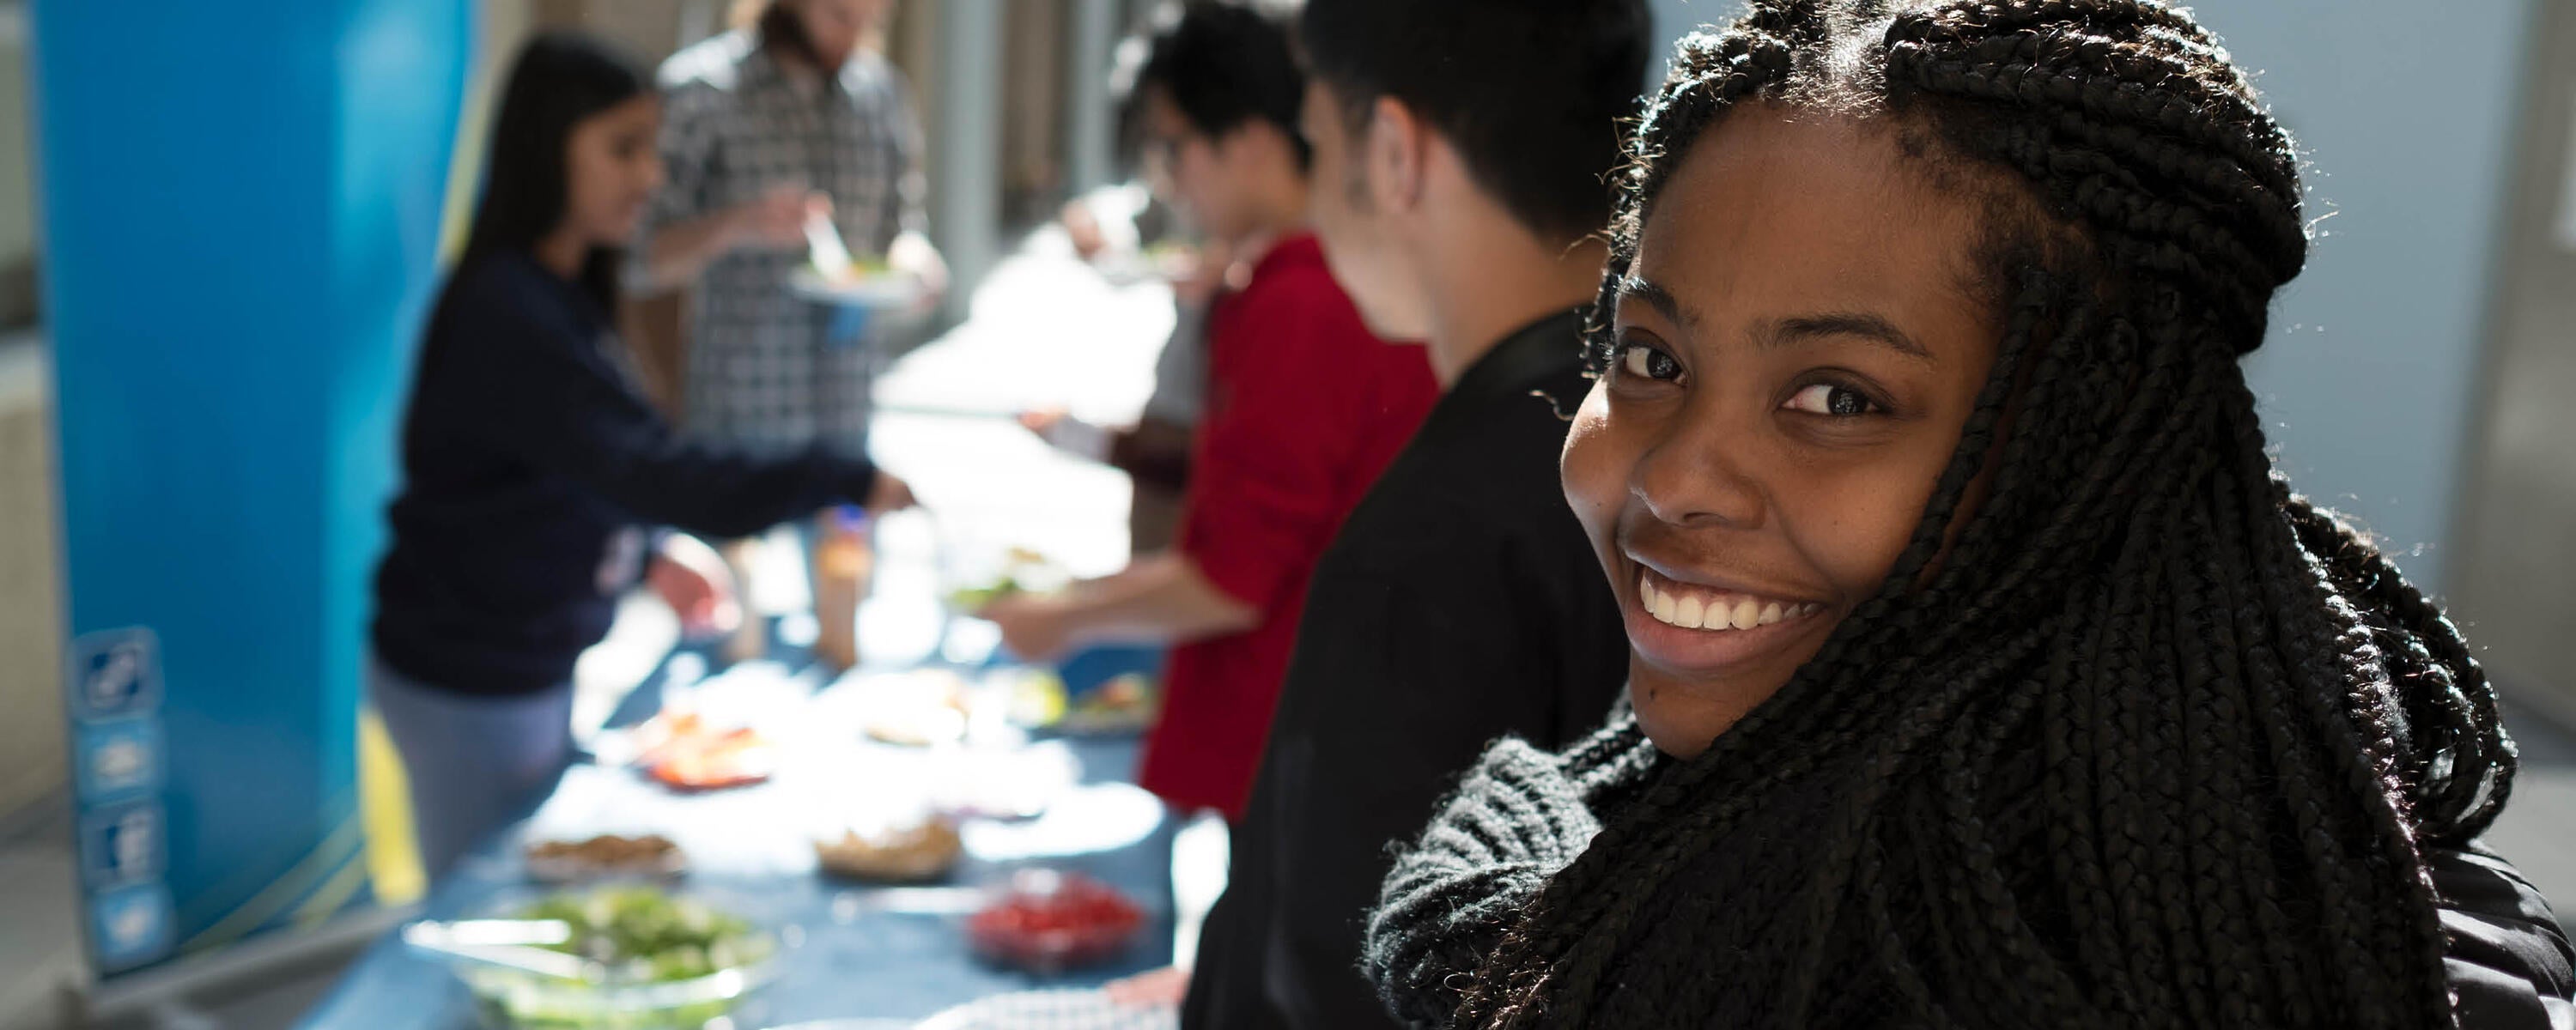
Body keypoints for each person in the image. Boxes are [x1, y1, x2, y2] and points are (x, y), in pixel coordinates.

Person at [1364, 2, 2576, 1026]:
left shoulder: (2336, 972)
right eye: (1651, 357)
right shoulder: (1574, 857)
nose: (1673, 478)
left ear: (2087, 454)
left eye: (1836, 396)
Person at [1176, 3, 1650, 1027]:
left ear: (1394, 152)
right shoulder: (1678, 430)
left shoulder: (1438, 537)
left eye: (1315, 132)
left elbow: (1343, 980)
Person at [371, 33, 909, 878]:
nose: (651, 177)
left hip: (516, 662)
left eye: (650, 148)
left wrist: (647, 554)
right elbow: (662, 472)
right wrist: (845, 472)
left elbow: (567, 463)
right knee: (482, 917)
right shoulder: (512, 310)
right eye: (622, 149)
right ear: (548, 149)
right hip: (471, 674)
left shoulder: (561, 286)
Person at [979, 2, 1438, 824]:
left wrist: (1064, 620)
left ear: (1251, 140)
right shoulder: (1306, 276)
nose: (1167, 177)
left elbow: (1237, 579)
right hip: (1330, 727)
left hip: (1302, 745)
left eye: (1171, 146)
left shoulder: (1302, 300)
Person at [637, 0, 945, 668]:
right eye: (840, 15)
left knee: (844, 649)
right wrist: (735, 225)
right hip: (738, 412)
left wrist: (916, 261)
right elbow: (638, 255)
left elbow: (903, 226)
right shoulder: (702, 91)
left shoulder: (882, 95)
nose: (855, 35)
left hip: (846, 409)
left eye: (870, 20)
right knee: (726, 657)